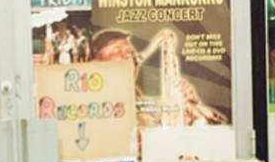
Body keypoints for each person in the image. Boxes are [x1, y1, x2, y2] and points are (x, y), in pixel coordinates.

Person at [92, 28, 227, 126]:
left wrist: (185, 116)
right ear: (95, 63)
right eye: (118, 50)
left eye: (130, 52)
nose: (129, 56)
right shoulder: (93, 103)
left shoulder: (146, 104)